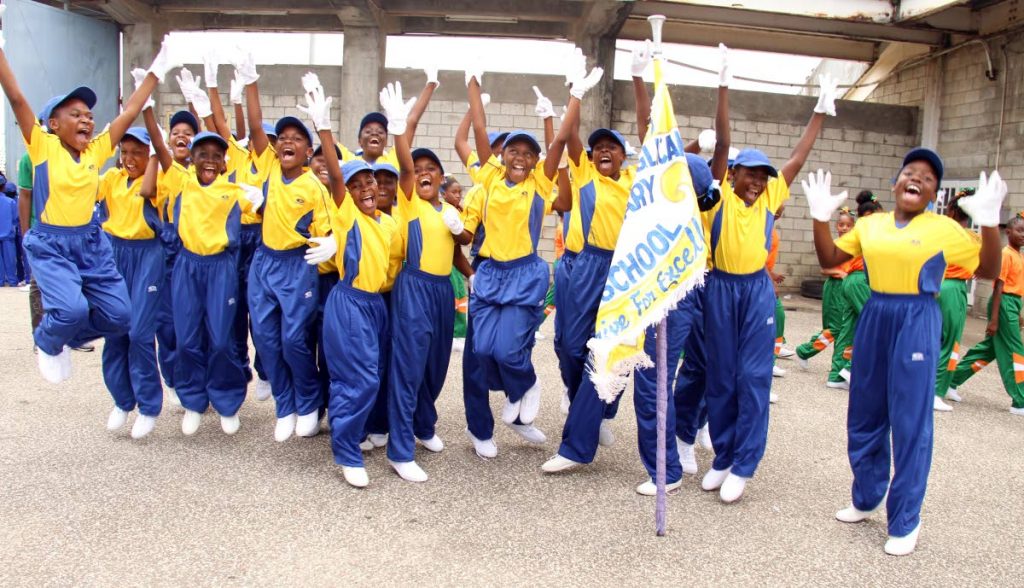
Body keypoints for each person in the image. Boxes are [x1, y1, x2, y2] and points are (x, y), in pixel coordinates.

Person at [806, 150, 1004, 556]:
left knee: (910, 421)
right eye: (910, 172)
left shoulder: (944, 229)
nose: (917, 179)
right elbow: (830, 260)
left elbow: (986, 270)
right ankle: (865, 497)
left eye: (928, 177)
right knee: (865, 411)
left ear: (932, 193)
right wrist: (818, 218)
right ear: (896, 182)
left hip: (917, 315)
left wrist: (989, 224)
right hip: (877, 312)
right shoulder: (870, 224)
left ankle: (906, 519)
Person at [0, 9, 175, 382]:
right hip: (52, 243)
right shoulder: (43, 147)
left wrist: (159, 68)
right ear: (52, 124)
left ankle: (64, 337)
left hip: (91, 242)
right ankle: (48, 341)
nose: (86, 120)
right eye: (75, 114)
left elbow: (129, 112)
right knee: (71, 309)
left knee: (120, 316)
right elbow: (15, 96)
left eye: (89, 115)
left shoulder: (95, 151)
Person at [699, 72, 837, 504]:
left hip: (755, 291)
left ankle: (744, 463)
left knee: (752, 377)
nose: (757, 182)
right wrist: (723, 87)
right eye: (750, 175)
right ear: (734, 174)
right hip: (718, 289)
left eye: (763, 177)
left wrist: (819, 112)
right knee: (720, 378)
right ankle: (722, 456)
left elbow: (798, 155)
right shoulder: (717, 196)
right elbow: (722, 143)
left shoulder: (771, 197)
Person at [454, 58, 580, 458]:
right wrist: (472, 81)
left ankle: (525, 385)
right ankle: (495, 416)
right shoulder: (488, 178)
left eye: (528, 152)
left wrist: (572, 98)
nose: (521, 157)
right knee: (482, 352)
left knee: (510, 350)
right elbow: (476, 130)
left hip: (523, 273)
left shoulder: (538, 184)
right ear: (501, 155)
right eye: (513, 151)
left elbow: (558, 146)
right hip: (488, 271)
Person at [297, 73, 402, 488]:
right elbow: (338, 180)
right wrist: (324, 127)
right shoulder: (348, 212)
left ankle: (354, 431)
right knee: (359, 378)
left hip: (376, 305)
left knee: (371, 373)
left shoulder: (388, 222)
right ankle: (345, 452)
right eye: (357, 185)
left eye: (370, 181)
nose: (365, 188)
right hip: (350, 302)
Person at [143, 109, 264, 435]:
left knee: (223, 340)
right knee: (186, 341)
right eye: (202, 155)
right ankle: (194, 401)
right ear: (192, 159)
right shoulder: (181, 181)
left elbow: (269, 212)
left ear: (224, 161)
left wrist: (263, 201)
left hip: (221, 269)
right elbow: (158, 143)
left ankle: (226, 402)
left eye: (216, 156)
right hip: (187, 267)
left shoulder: (234, 190)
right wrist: (147, 109)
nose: (209, 161)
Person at [241, 62, 336, 442]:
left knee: (294, 340)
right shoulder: (268, 167)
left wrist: (332, 242)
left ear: (308, 149)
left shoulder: (314, 185)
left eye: (296, 138)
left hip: (298, 267)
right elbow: (253, 128)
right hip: (264, 262)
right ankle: (286, 405)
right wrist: (250, 83)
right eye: (282, 138)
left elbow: (329, 230)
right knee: (264, 339)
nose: (286, 142)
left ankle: (309, 402)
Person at [382, 82, 471, 482]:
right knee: (409, 367)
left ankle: (423, 424)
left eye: (430, 170)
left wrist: (459, 232)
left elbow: (462, 243)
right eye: (418, 171)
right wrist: (401, 127)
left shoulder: (446, 209)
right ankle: (400, 450)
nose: (423, 174)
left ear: (440, 176)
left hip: (441, 291)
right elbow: (403, 163)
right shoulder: (410, 201)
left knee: (435, 366)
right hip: (413, 288)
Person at [97, 127, 165, 439]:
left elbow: (149, 191)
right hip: (115, 252)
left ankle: (149, 406)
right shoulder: (112, 179)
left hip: (147, 254)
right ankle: (123, 401)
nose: (128, 158)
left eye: (137, 152)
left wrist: (154, 155)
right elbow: (85, 189)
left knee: (139, 332)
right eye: (125, 152)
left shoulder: (157, 179)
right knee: (115, 330)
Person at [947, 212, 1024, 415]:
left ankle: (951, 380)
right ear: (1008, 232)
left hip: (1012, 304)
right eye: (1019, 230)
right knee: (1015, 352)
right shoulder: (1006, 254)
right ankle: (1020, 400)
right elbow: (999, 286)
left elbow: (1016, 287)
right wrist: (995, 319)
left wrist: (1018, 313)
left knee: (989, 349)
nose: (1023, 234)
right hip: (1003, 303)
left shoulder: (1018, 255)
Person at [795, 206, 856, 390]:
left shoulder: (856, 245)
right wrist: (841, 273)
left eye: (848, 225)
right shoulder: (835, 244)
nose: (844, 228)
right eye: (841, 224)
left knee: (843, 328)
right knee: (837, 328)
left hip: (846, 288)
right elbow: (825, 268)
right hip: (836, 287)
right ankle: (807, 352)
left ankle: (839, 367)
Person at [933, 188, 979, 411]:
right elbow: (982, 268)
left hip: (937, 285)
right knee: (949, 341)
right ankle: (936, 391)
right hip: (954, 288)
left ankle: (944, 386)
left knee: (935, 337)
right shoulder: (971, 237)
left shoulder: (941, 231)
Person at [830, 191, 883, 383]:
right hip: (861, 279)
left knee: (849, 328)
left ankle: (836, 376)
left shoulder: (860, 230)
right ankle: (852, 368)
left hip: (851, 280)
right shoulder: (871, 230)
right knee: (876, 326)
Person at [0, 189, 16, 286]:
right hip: (8, 235)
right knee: (10, 260)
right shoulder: (11, 202)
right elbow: (15, 219)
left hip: (7, 235)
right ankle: (12, 281)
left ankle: (0, 282)